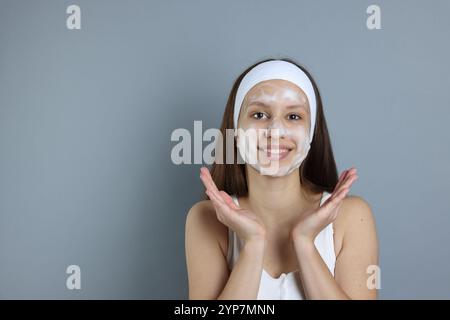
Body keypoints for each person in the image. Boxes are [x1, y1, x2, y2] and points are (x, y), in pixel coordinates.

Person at [185, 58, 378, 299]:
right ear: (235, 131)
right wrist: (253, 244)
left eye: (294, 117)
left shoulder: (351, 216)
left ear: (311, 134)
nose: (275, 131)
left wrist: (305, 243)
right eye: (259, 114)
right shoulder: (207, 219)